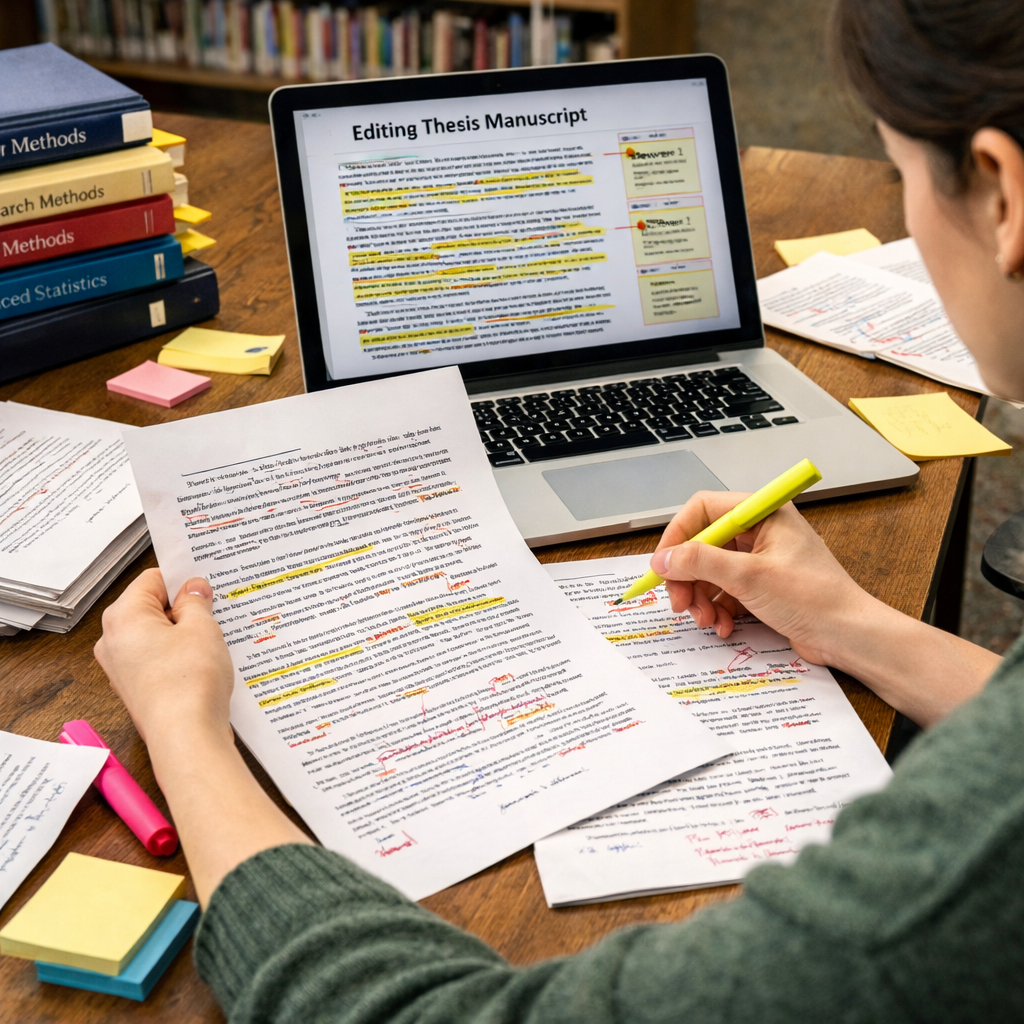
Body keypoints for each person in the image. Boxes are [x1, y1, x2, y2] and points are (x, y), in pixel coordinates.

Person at [94, 1, 1024, 1019]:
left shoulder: (944, 883)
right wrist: (856, 626)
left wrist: (184, 726)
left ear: (1001, 195)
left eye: (897, 176)